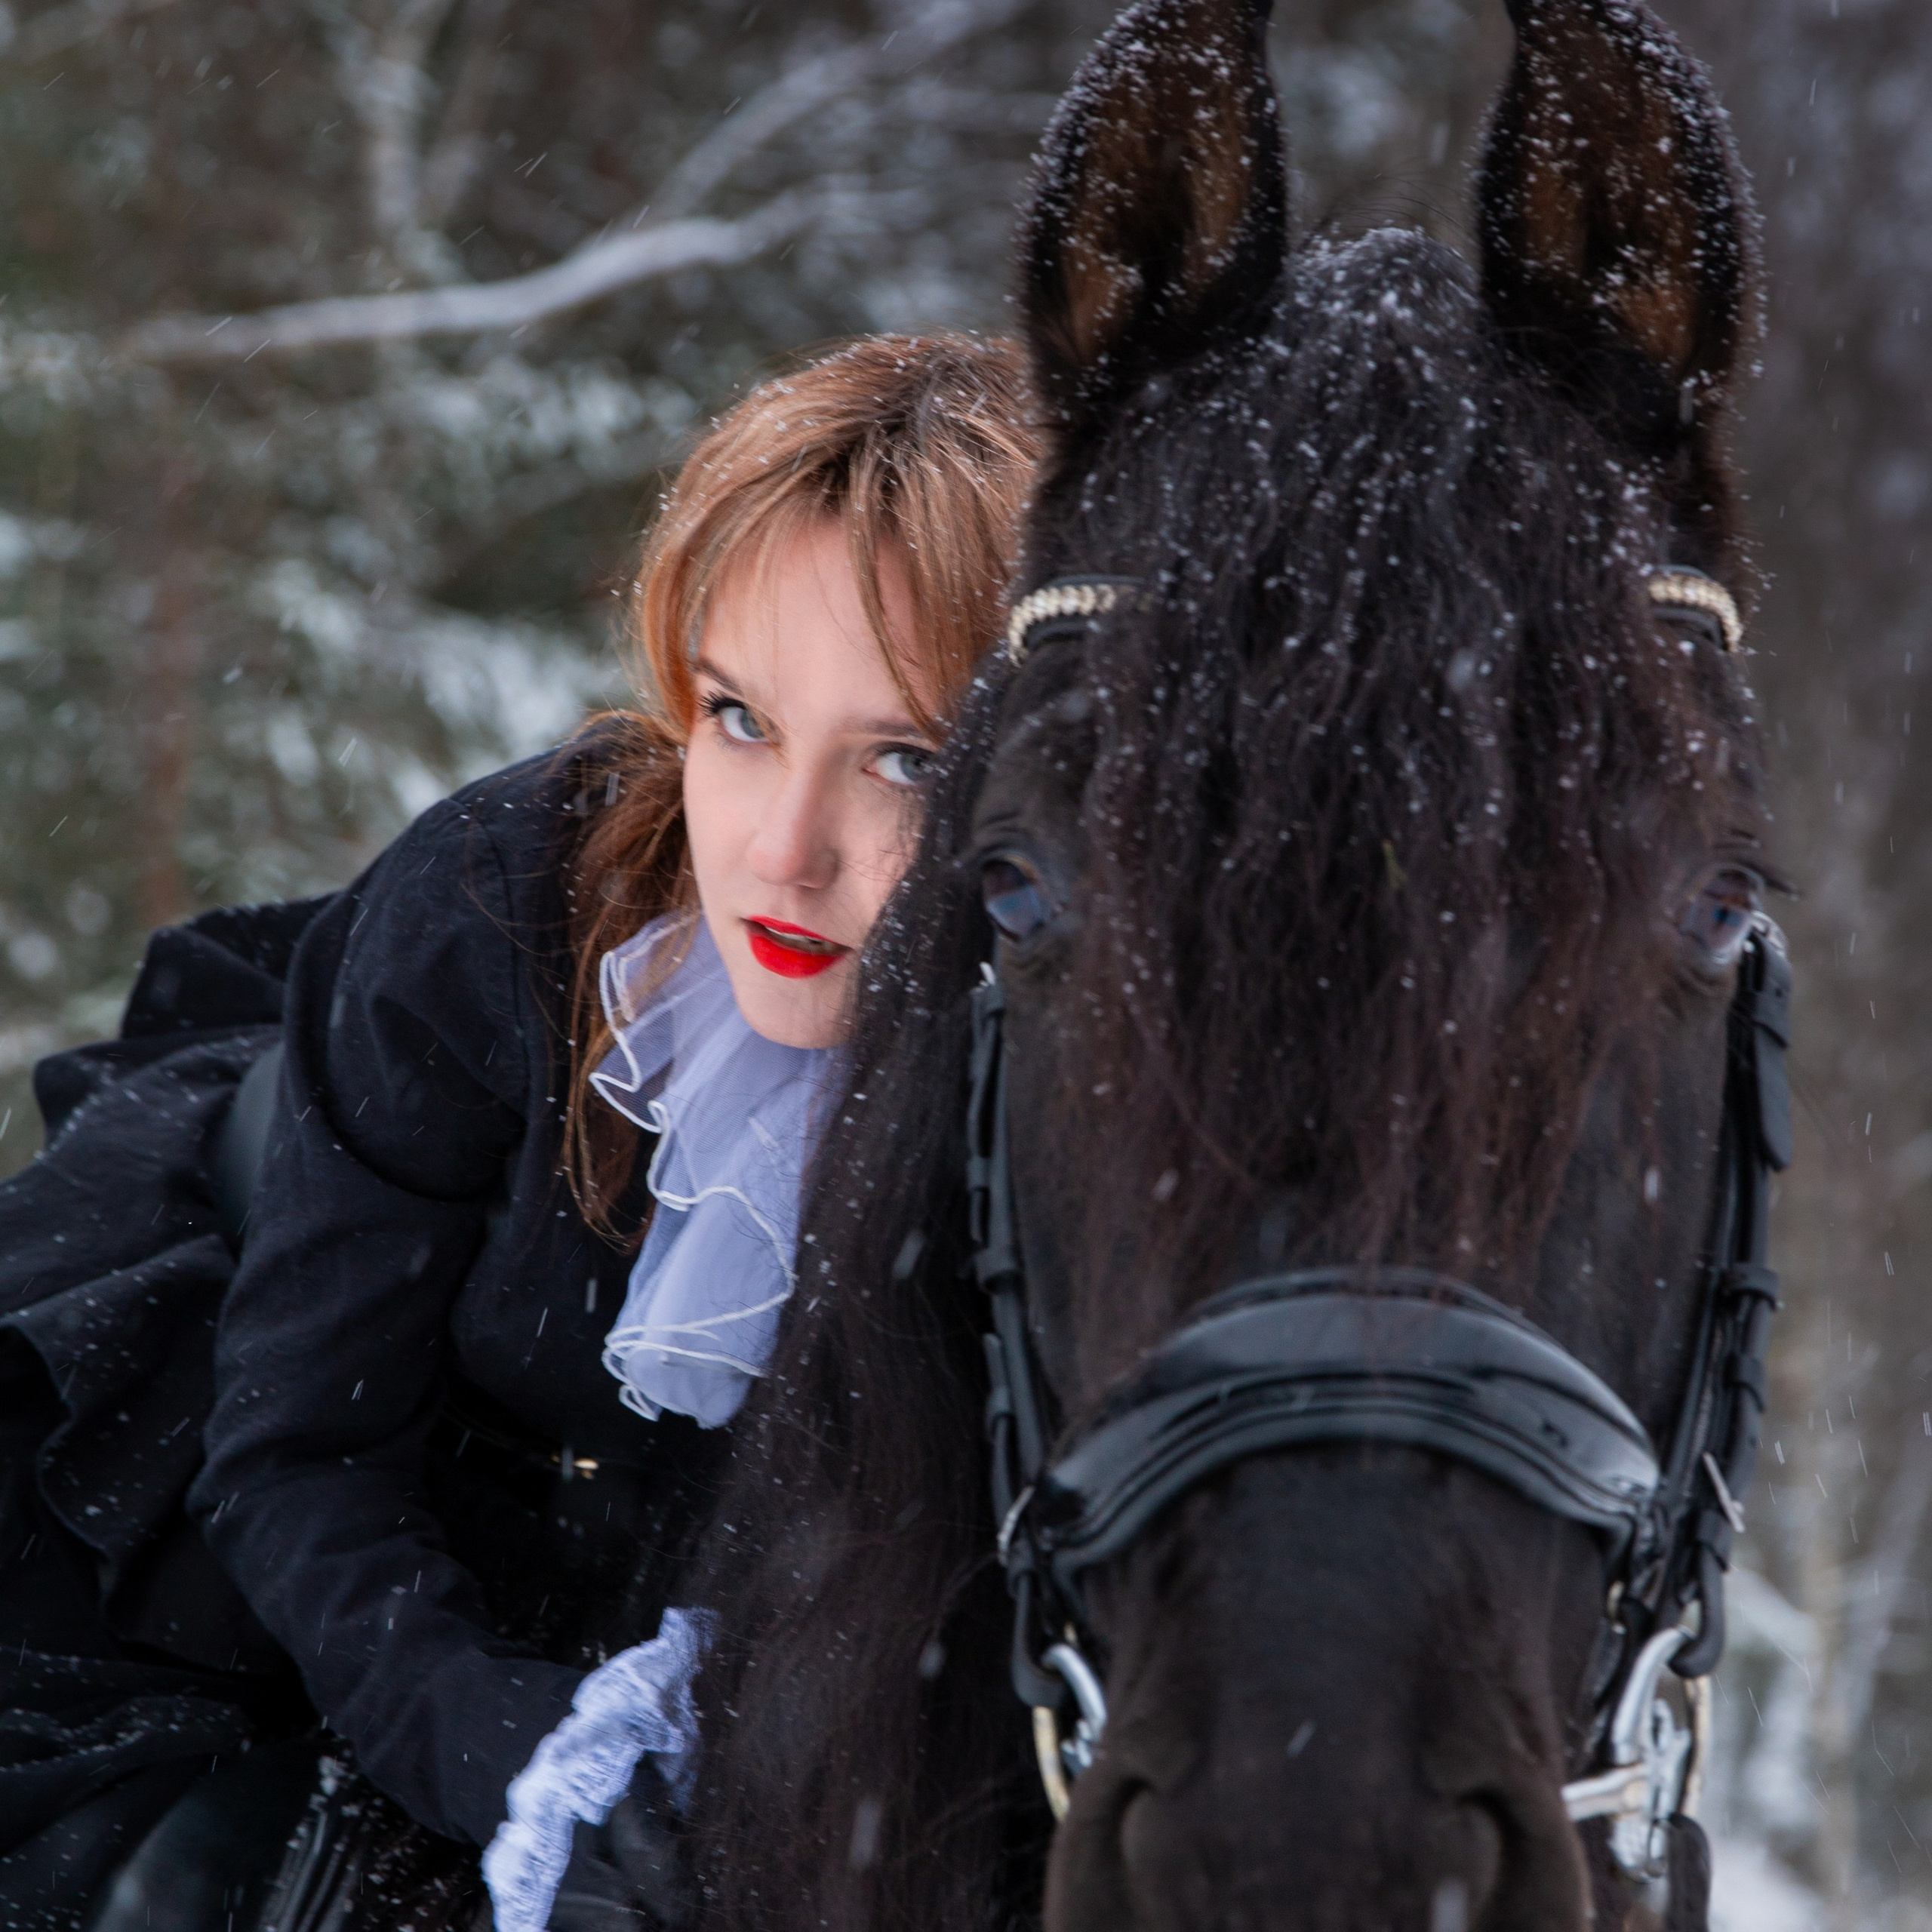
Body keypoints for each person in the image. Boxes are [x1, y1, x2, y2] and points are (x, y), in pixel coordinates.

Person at [0, 333, 1038, 1930]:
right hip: (298, 1625)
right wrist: (523, 1755)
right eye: (741, 717)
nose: (782, 847)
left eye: (901, 758)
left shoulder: (1088, 1062)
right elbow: (298, 1457)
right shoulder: (498, 914)